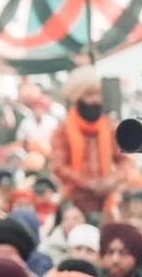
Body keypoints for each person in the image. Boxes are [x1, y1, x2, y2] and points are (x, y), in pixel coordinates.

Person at [51, 66, 133, 218]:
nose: (96, 100)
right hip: (75, 201)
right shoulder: (62, 130)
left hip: (108, 199)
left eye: (98, 94)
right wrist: (89, 184)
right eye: (89, 95)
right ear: (78, 98)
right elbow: (59, 166)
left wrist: (111, 181)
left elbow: (125, 161)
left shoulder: (110, 126)